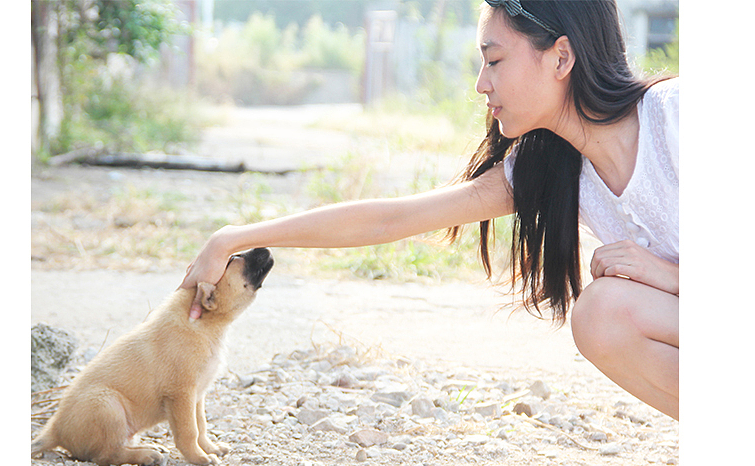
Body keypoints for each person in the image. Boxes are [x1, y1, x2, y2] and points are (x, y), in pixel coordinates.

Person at [180, 0, 679, 422]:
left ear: (561, 57)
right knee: (602, 316)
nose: (481, 84)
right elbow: (391, 219)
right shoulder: (554, 167)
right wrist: (234, 238)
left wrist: (668, 276)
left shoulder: (676, 115)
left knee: (606, 307)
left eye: (495, 60)